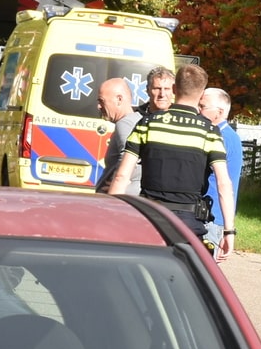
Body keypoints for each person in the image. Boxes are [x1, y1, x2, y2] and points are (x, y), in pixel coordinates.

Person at [106, 64, 234, 243]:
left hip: (150, 218)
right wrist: (229, 231)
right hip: (188, 224)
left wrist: (110, 218)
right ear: (201, 94)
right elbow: (223, 184)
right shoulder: (209, 132)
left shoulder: (147, 123)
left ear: (174, 89)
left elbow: (121, 176)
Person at [199, 87, 247, 254]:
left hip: (210, 218)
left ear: (219, 112)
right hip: (214, 216)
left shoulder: (220, 137)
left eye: (202, 106)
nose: (198, 110)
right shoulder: (228, 135)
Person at [93, 77, 141, 195]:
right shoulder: (137, 120)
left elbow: (129, 157)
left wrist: (117, 185)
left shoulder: (124, 124)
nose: (99, 106)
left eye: (102, 101)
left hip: (116, 202)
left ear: (119, 99)